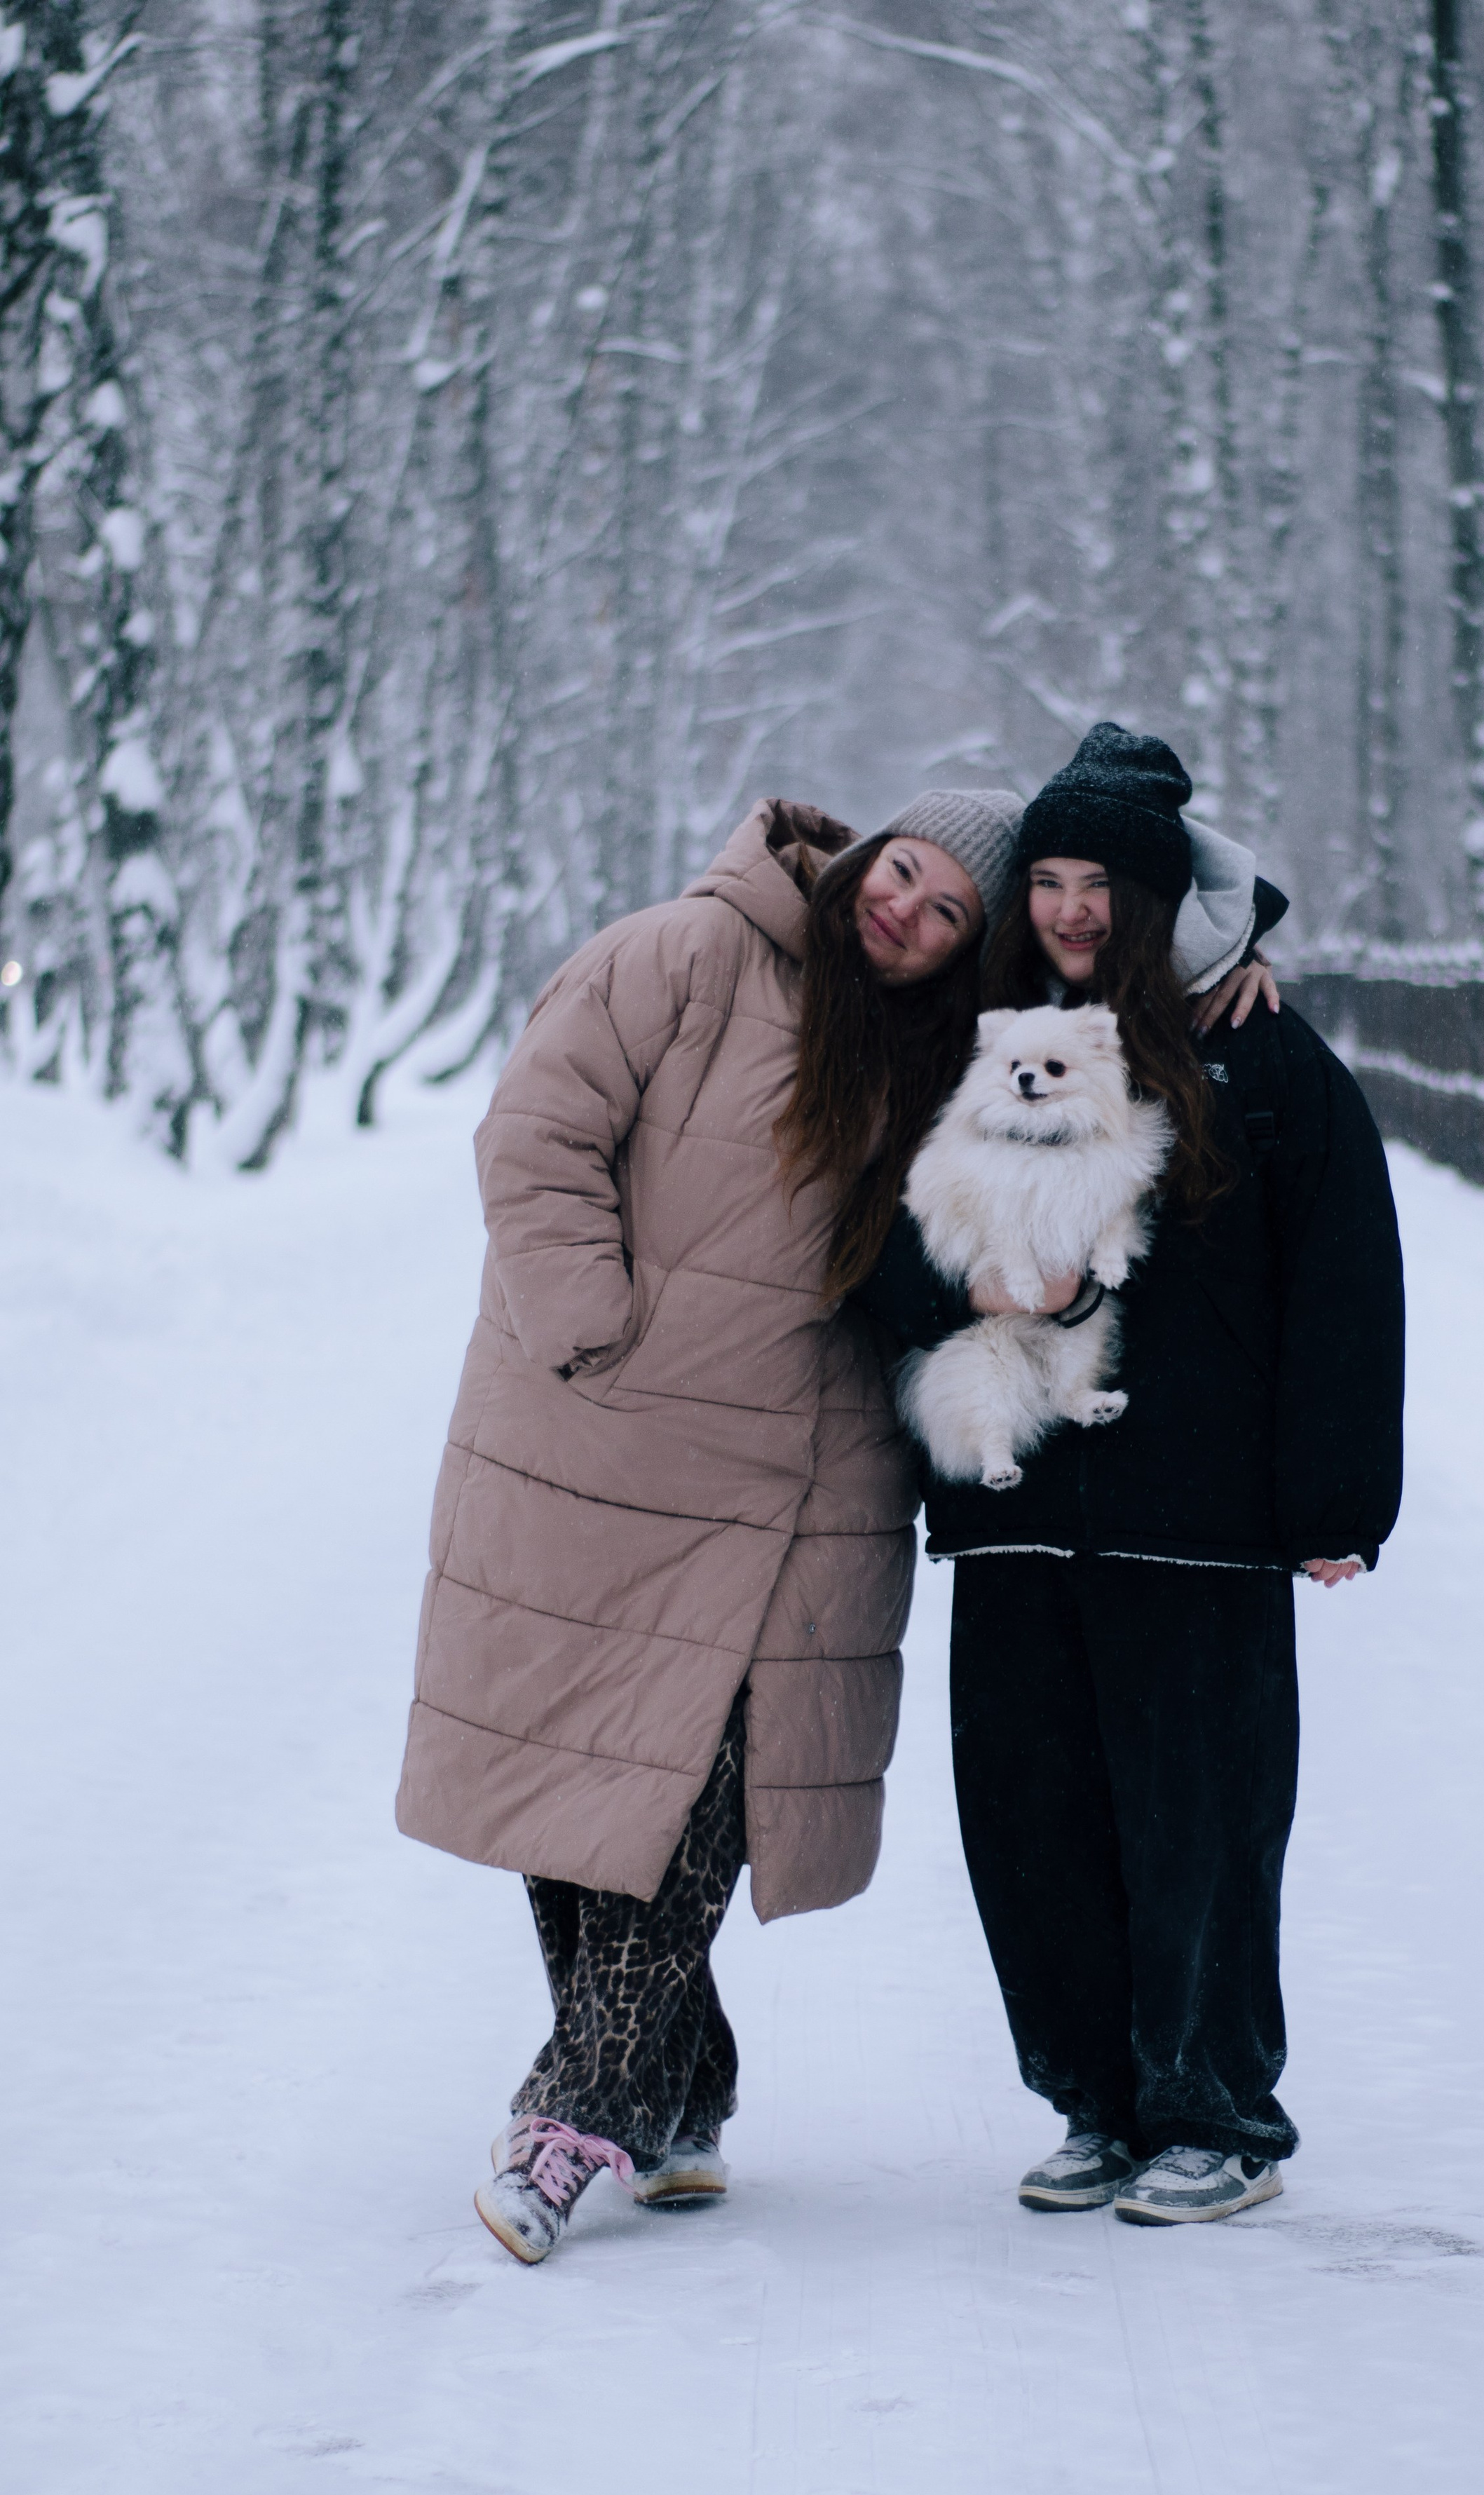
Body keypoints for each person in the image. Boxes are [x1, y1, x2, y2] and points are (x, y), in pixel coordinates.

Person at [395, 786, 1026, 2263]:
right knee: (585, 1774)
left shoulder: (949, 1055)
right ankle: (682, 2090)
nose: (909, 920)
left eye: (947, 921)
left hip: (806, 1484)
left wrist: (1236, 936)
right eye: (910, 877)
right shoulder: (680, 955)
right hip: (605, 1440)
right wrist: (590, 1332)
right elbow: (536, 1135)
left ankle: (578, 2114)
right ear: (876, 844)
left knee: (691, 1793)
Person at [858, 723, 1405, 2227]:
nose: (1069, 909)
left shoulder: (1262, 1058)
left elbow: (1343, 1284)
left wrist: (1332, 1501)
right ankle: (1093, 2101)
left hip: (1200, 1530)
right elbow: (889, 1256)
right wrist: (959, 1315)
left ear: (1155, 895)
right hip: (1018, 1518)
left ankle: (1213, 2110)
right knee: (1031, 1829)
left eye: (1098, 881)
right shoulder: (978, 1053)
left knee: (1201, 1835)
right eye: (1043, 879)